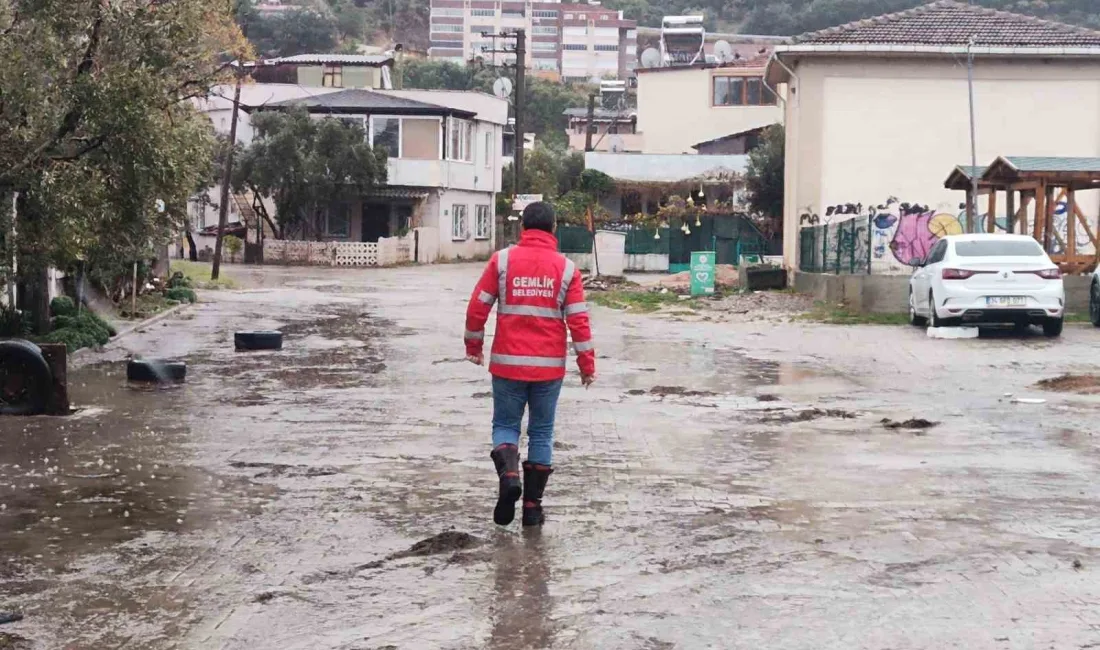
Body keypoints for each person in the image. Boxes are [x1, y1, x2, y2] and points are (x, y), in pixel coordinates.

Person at [464, 201, 596, 527]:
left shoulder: (503, 261)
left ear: (523, 228)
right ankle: (533, 508)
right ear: (553, 229)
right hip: (549, 369)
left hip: (507, 364)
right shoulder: (567, 269)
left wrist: (474, 345)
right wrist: (586, 365)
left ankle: (509, 475)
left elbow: (478, 306)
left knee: (506, 426)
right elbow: (579, 321)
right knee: (541, 432)